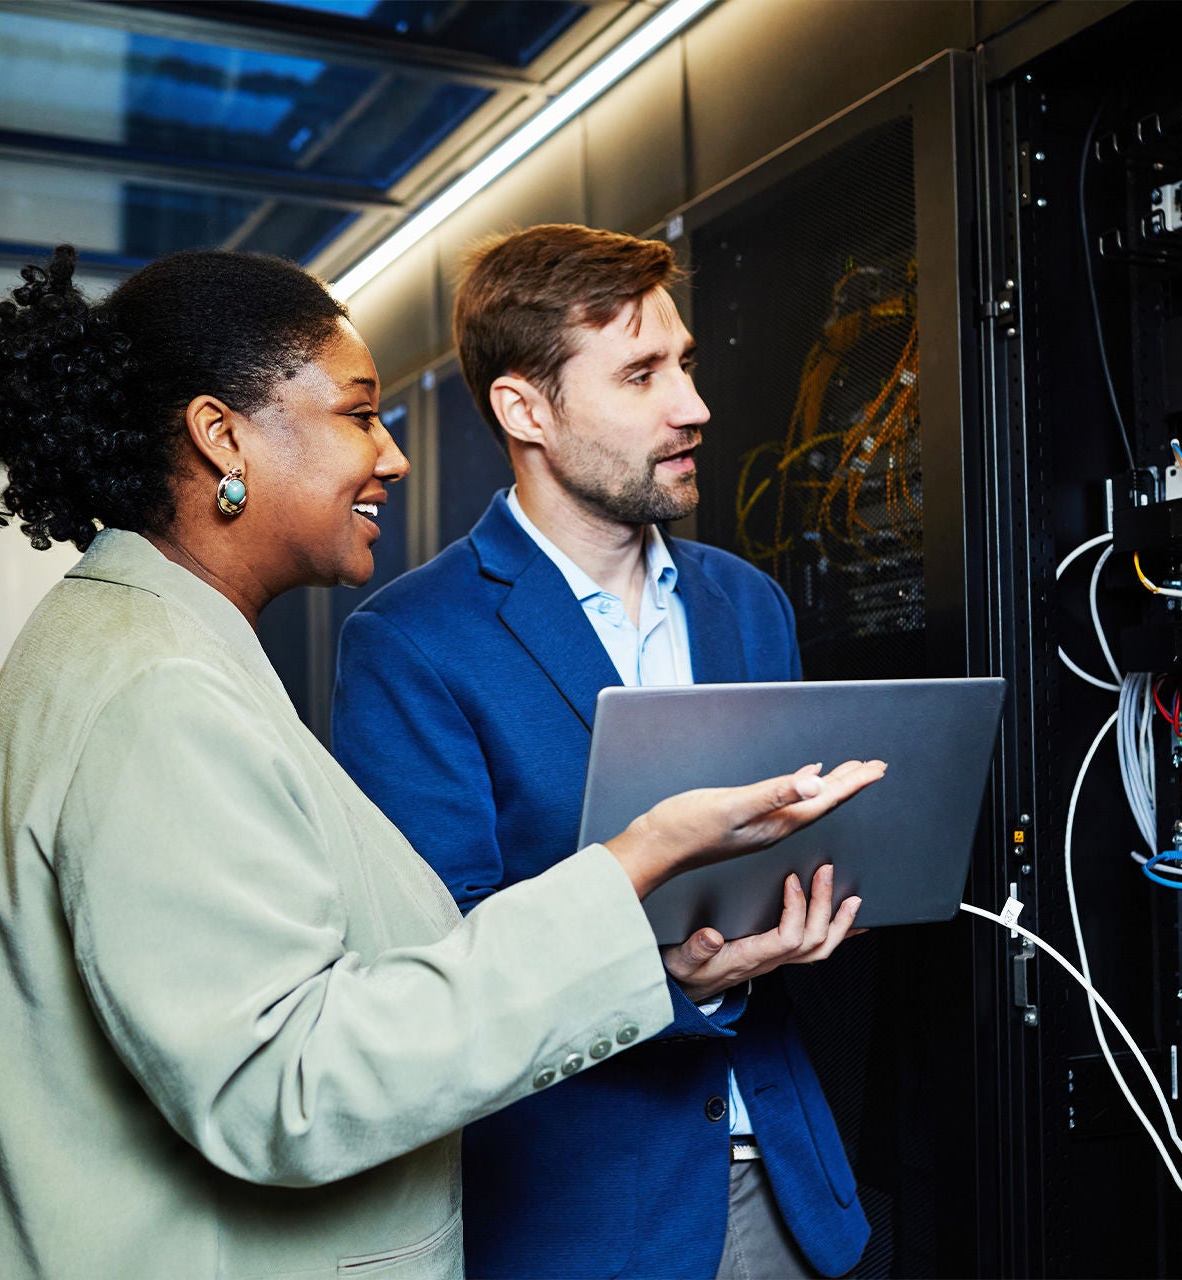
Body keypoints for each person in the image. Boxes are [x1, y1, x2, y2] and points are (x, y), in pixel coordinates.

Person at [0, 245, 885, 1280]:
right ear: (222, 436)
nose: (390, 455)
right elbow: (286, 1085)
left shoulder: (147, 650)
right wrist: (633, 864)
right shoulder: (160, 688)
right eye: (357, 413)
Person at [333, 223, 872, 1280]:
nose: (692, 406)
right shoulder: (412, 641)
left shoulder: (746, 603)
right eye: (639, 374)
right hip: (579, 1216)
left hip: (791, 1184)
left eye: (682, 364)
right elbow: (437, 966)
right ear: (524, 409)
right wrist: (682, 982)